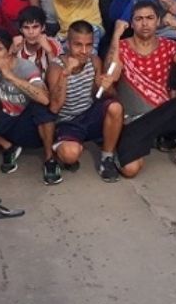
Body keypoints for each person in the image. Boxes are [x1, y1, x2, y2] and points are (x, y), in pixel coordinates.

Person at [107, 2, 176, 177]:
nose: (145, 23)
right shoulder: (122, 47)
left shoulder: (168, 45)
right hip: (134, 120)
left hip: (162, 113)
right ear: (131, 23)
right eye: (139, 19)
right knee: (130, 170)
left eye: (150, 18)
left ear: (158, 22)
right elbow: (111, 72)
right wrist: (116, 36)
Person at [43, 21, 124, 184]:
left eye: (89, 45)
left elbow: (99, 95)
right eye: (78, 45)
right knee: (70, 155)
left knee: (115, 107)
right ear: (67, 44)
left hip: (89, 114)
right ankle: (71, 145)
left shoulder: (94, 60)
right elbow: (55, 106)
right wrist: (66, 74)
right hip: (68, 122)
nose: (84, 51)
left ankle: (107, 158)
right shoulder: (56, 67)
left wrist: (106, 86)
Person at [0, 29, 55, 175]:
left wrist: (10, 75)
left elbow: (45, 99)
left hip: (31, 126)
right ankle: (8, 147)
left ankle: (50, 159)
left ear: (10, 50)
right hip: (8, 121)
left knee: (41, 109)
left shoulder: (25, 67)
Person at [13, 6, 62, 74]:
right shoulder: (16, 44)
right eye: (26, 27)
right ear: (21, 30)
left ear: (43, 27)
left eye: (35, 27)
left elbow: (58, 75)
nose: (31, 32)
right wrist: (13, 53)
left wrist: (49, 52)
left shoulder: (53, 44)